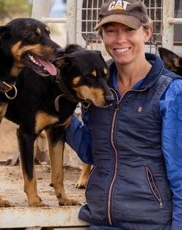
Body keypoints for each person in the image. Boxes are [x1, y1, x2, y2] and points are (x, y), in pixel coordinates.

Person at [65, 0, 182, 229]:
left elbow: (180, 171)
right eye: (111, 31)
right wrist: (63, 116)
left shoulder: (171, 91)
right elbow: (92, 153)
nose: (120, 40)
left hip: (150, 223)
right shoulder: (98, 90)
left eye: (129, 30)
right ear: (102, 36)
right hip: (101, 221)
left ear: (147, 32)